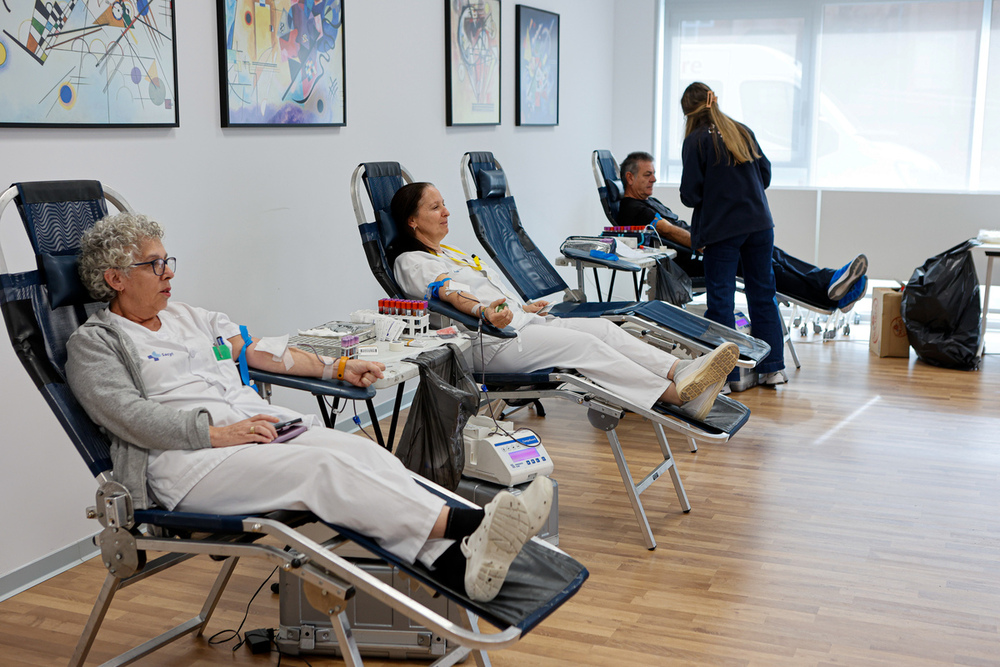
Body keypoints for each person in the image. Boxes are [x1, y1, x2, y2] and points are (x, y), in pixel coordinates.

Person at [64, 212, 552, 603]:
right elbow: (126, 414)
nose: (169, 272)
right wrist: (218, 433)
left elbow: (258, 352)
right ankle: (478, 524)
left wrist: (334, 369)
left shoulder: (189, 317)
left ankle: (461, 565)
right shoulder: (96, 345)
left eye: (168, 260)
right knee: (323, 469)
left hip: (260, 432)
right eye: (154, 265)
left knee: (365, 456)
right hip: (190, 465)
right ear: (115, 279)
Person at [386, 181, 740, 421]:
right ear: (413, 221)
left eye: (445, 205)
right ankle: (678, 396)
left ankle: (681, 371)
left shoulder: (448, 251)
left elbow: (481, 291)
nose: (446, 212)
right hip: (487, 342)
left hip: (518, 325)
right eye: (435, 208)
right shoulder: (411, 262)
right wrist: (482, 312)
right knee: (583, 347)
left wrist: (520, 308)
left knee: (603, 328)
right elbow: (448, 294)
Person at [616, 150, 869, 314]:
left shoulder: (648, 202)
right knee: (769, 267)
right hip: (697, 259)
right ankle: (830, 295)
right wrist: (706, 241)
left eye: (654, 174)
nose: (654, 179)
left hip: (707, 246)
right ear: (630, 177)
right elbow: (669, 232)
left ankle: (831, 280)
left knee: (773, 253)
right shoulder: (632, 208)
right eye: (648, 175)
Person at [677, 82, 791, 386]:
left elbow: (690, 194)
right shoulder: (741, 130)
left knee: (721, 302)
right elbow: (764, 175)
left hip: (722, 229)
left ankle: (725, 378)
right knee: (763, 294)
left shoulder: (696, 140)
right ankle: (773, 370)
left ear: (688, 111)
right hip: (758, 223)